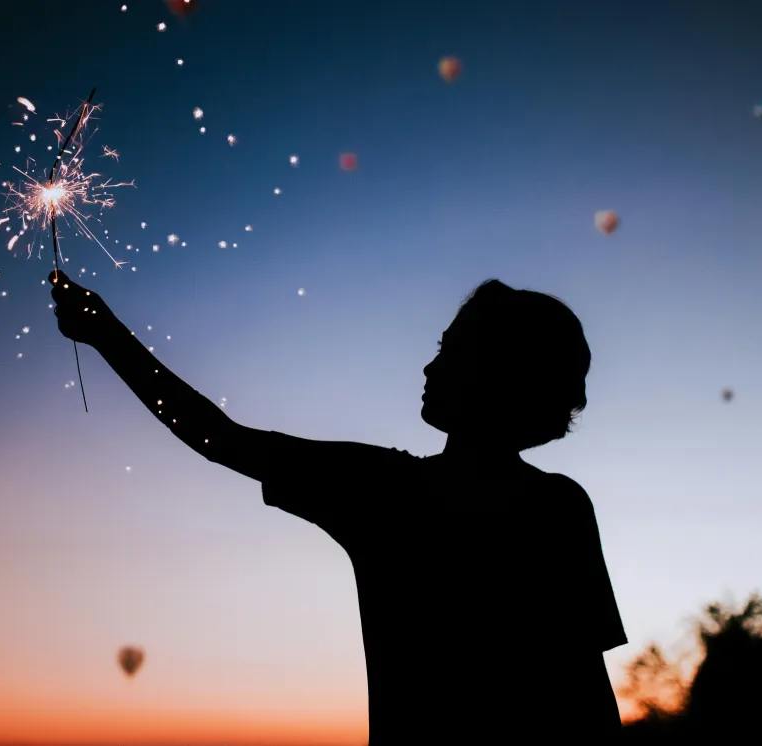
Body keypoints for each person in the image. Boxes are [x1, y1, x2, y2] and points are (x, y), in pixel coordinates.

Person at [49, 270, 627, 741]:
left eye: (450, 352)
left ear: (498, 375)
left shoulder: (385, 491)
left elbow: (217, 438)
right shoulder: (559, 507)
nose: (429, 367)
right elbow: (586, 695)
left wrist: (107, 335)